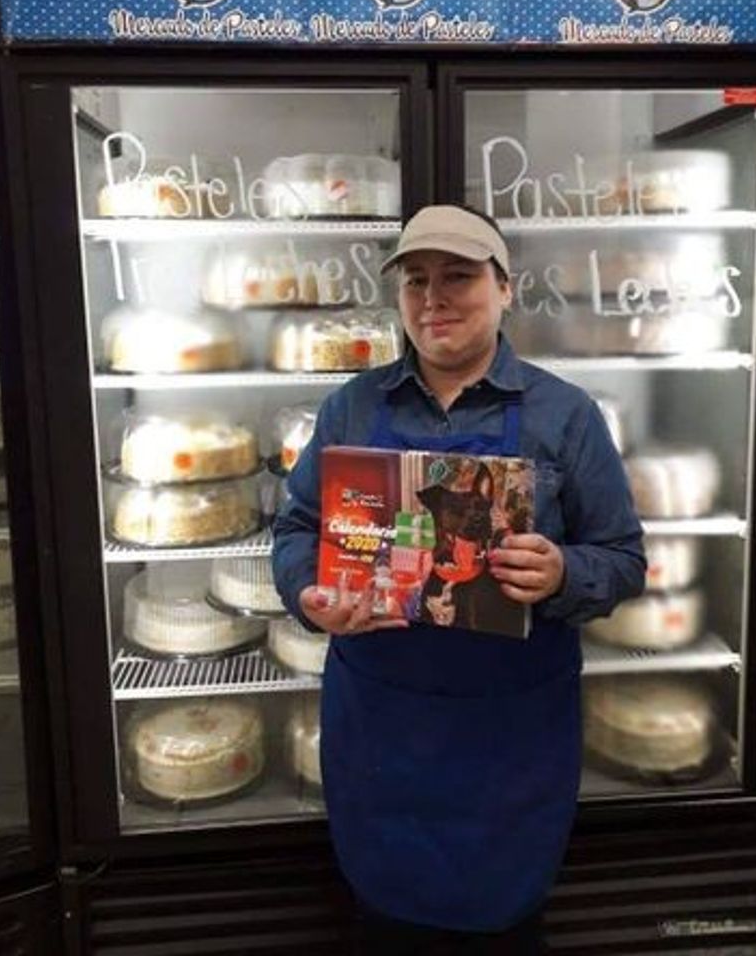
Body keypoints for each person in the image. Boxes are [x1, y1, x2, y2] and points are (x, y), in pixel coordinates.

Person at [272, 203, 645, 954]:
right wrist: (310, 597)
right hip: (382, 733)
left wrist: (563, 570)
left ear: (507, 288)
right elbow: (297, 531)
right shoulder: (351, 406)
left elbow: (623, 559)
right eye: (416, 280)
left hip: (510, 738)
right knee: (385, 924)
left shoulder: (564, 417)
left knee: (503, 926)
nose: (433, 297)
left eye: (459, 277)